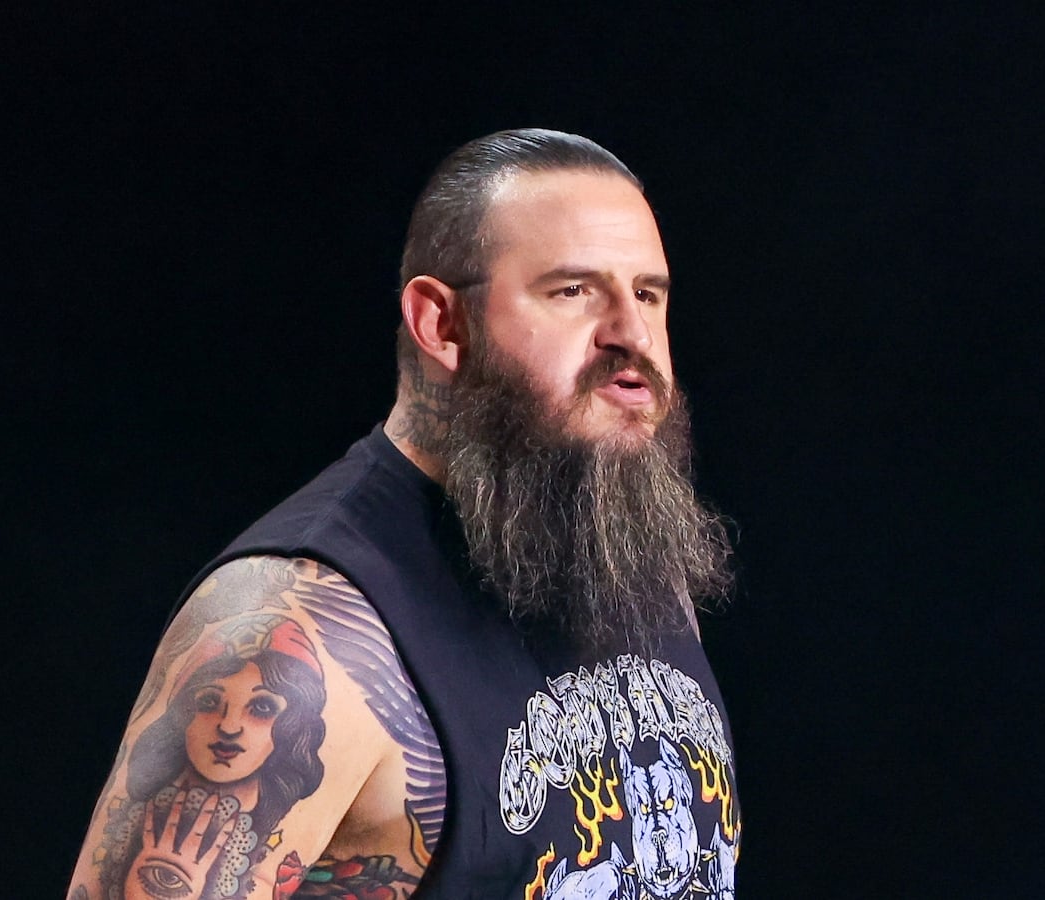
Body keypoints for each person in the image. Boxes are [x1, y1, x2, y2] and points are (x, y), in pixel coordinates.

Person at [67, 129, 741, 900]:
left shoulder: (619, 553)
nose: (632, 334)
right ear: (440, 324)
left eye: (648, 294)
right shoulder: (304, 622)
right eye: (573, 291)